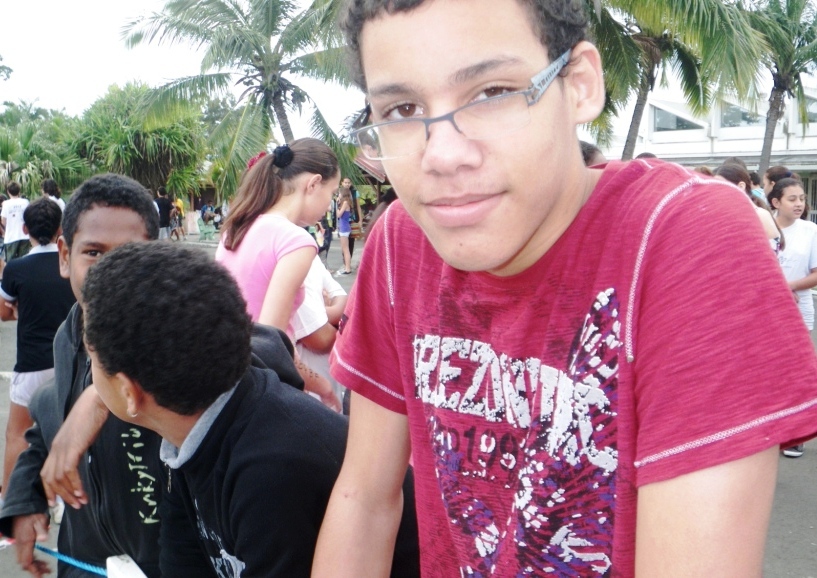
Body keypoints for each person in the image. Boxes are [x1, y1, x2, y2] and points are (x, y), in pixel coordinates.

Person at [312, 1, 817, 576]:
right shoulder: (402, 245)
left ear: (579, 85)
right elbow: (364, 498)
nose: (442, 156)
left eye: (492, 93)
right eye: (402, 110)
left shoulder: (679, 239)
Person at [79, 241, 419, 577]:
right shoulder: (188, 427)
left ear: (129, 392)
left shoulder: (273, 471)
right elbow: (182, 560)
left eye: (91, 358)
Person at [0, 174, 196, 578]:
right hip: (87, 558)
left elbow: (258, 354)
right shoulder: (68, 335)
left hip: (166, 563)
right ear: (64, 256)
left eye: (129, 254)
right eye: (93, 252)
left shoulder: (179, 331)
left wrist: (99, 396)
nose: (111, 272)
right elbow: (51, 424)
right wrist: (25, 498)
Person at [216, 140, 342, 411]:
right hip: (266, 386)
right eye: (332, 193)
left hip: (229, 374)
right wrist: (322, 386)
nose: (329, 204)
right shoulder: (295, 241)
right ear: (314, 184)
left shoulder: (235, 229)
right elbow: (272, 341)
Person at [0, 198, 76, 498]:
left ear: (25, 229)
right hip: (70, 361)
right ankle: (66, 501)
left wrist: (21, 310)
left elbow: (3, 311)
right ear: (61, 229)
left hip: (32, 362)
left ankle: (12, 501)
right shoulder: (71, 264)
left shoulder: (17, 268)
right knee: (72, 432)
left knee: (18, 434)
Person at [713, 162, 783, 252]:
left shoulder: (760, 215)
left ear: (741, 186)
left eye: (721, 187)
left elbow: (771, 255)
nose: (717, 193)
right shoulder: (724, 217)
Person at [2, 182, 31, 262]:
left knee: (10, 262)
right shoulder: (25, 202)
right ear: (19, 191)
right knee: (24, 261)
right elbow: (29, 217)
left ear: (8, 191)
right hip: (24, 235)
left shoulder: (6, 204)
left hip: (11, 237)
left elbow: (3, 221)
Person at [335, 186, 354, 276]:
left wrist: (336, 205)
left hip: (344, 228)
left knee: (345, 249)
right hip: (344, 227)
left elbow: (339, 215)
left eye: (339, 193)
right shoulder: (345, 202)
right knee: (344, 249)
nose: (338, 195)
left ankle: (348, 268)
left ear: (343, 194)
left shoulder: (345, 202)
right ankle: (346, 267)